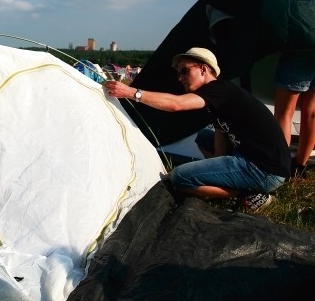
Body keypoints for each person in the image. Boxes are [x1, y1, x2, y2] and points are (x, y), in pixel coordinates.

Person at [104, 47, 291, 213]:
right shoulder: (218, 96)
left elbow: (176, 105)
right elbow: (221, 133)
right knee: (202, 137)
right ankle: (230, 182)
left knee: (179, 178)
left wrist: (131, 92)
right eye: (178, 74)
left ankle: (246, 194)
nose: (180, 78)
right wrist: (220, 163)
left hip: (265, 170)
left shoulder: (219, 89)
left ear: (204, 68)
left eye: (185, 71)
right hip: (255, 157)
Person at [273, 50, 315, 178]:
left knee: (284, 112)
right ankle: (299, 167)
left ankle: (279, 168)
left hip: (303, 47)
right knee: (312, 113)